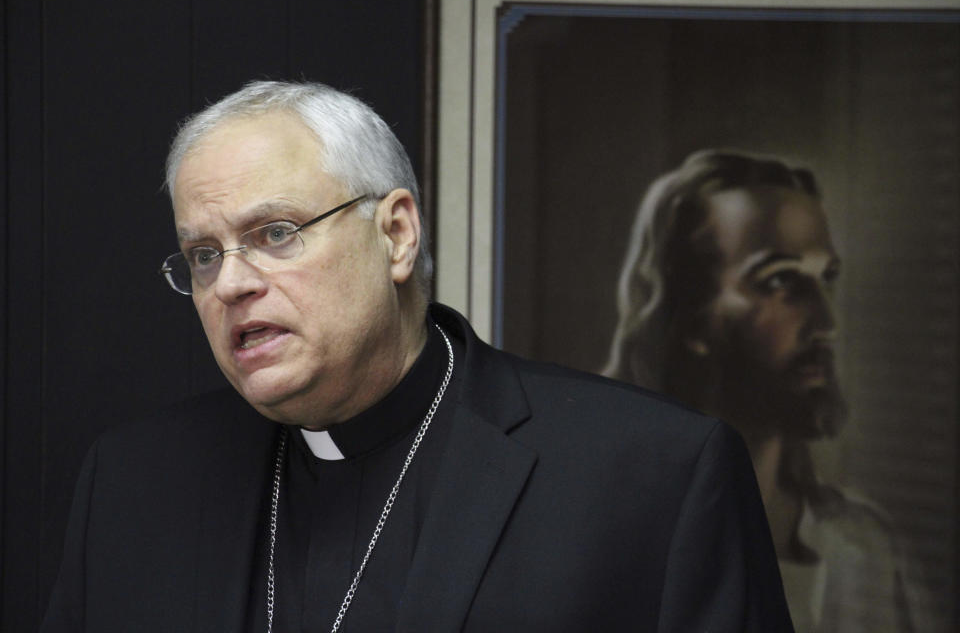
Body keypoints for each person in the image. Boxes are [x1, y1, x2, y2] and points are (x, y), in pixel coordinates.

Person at [42, 83, 792, 632]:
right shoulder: (131, 485)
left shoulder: (656, 477)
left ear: (396, 234)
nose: (230, 282)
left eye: (274, 233)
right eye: (202, 255)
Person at [604, 150, 919, 632]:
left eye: (826, 279)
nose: (827, 324)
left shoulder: (860, 546)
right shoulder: (610, 540)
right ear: (689, 316)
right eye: (781, 281)